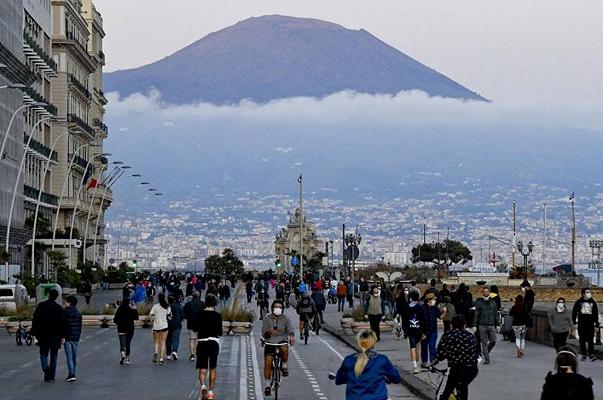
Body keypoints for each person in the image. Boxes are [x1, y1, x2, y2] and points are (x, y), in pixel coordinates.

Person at [335, 329, 401, 400]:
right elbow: (396, 378)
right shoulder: (381, 360)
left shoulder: (349, 360)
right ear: (374, 342)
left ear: (359, 342)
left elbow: (339, 380)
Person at [431, 315, 479, 400]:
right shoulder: (470, 336)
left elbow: (441, 354)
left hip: (457, 368)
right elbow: (477, 352)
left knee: (448, 389)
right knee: (462, 385)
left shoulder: (448, 335)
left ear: (451, 325)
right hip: (472, 369)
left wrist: (434, 362)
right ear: (464, 325)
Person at [31, 288, 66, 382]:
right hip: (55, 335)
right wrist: (63, 335)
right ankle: (52, 376)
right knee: (54, 355)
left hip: (43, 334)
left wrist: (34, 332)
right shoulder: (59, 308)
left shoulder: (41, 306)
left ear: (48, 295)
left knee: (43, 353)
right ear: (56, 297)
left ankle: (46, 368)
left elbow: (35, 320)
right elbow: (63, 323)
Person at [262, 299, 296, 396]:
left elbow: (290, 329)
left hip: (282, 341)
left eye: (280, 307)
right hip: (270, 343)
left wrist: (292, 336)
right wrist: (270, 332)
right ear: (272, 308)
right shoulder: (267, 319)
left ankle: (284, 366)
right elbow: (264, 333)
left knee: (284, 348)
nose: (278, 309)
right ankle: (268, 386)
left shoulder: (285, 319)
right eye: (276, 307)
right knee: (267, 363)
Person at [193, 294, 222, 400]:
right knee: (213, 368)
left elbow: (194, 328)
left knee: (202, 368)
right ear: (215, 303)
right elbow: (220, 332)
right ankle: (210, 392)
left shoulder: (199, 314)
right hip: (214, 342)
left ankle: (203, 386)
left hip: (202, 342)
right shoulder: (217, 315)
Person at [571, 288, 600, 361]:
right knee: (582, 339)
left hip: (590, 324)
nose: (589, 293)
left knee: (591, 339)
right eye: (587, 292)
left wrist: (596, 325)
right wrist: (574, 322)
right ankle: (583, 354)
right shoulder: (579, 302)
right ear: (583, 294)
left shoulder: (593, 302)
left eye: (590, 292)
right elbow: (574, 312)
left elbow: (595, 314)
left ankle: (591, 354)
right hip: (581, 323)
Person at [473, 286, 499, 364]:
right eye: (484, 292)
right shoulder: (479, 302)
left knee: (493, 341)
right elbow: (476, 314)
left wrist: (497, 324)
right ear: (483, 293)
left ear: (489, 292)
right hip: (482, 324)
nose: (486, 293)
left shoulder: (493, 302)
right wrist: (474, 325)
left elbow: (495, 314)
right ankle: (487, 359)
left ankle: (485, 352)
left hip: (491, 324)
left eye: (487, 292)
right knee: (483, 342)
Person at [404, 291, 427, 373]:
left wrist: (405, 331)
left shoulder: (406, 307)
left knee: (412, 347)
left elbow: (404, 320)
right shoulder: (420, 308)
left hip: (410, 330)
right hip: (419, 330)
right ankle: (417, 362)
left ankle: (414, 365)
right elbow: (424, 320)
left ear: (410, 298)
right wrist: (424, 332)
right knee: (418, 346)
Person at [114, 297, 139, 365]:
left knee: (122, 344)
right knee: (128, 343)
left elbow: (115, 320)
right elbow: (136, 318)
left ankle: (122, 353)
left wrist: (119, 323)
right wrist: (135, 308)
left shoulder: (119, 310)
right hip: (130, 329)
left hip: (121, 328)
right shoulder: (131, 310)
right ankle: (127, 358)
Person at [63, 295, 82, 382]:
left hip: (67, 337)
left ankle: (71, 373)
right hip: (76, 337)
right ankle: (73, 372)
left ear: (69, 303)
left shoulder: (64, 313)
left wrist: (62, 336)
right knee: (74, 356)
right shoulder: (78, 313)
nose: (64, 303)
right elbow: (80, 326)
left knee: (69, 356)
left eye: (65, 302)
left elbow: (63, 326)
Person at [149, 293, 172, 365]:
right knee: (163, 342)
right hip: (164, 326)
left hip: (156, 326)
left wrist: (152, 321)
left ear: (158, 298)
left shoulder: (155, 306)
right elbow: (169, 317)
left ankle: (156, 352)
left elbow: (150, 314)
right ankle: (161, 359)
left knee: (156, 341)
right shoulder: (167, 307)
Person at [183, 291, 204, 361]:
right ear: (198, 296)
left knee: (192, 339)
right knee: (199, 340)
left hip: (191, 324)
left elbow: (184, 314)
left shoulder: (188, 304)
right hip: (201, 324)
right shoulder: (202, 304)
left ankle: (192, 355)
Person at [421, 293, 441, 365]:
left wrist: (445, 312)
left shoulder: (435, 308)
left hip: (433, 330)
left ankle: (432, 360)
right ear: (429, 300)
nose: (434, 301)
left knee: (432, 345)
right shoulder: (422, 308)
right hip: (424, 330)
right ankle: (424, 361)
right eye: (433, 299)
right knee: (424, 346)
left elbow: (440, 316)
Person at [166, 295, 183, 360]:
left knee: (168, 339)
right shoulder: (179, 307)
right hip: (177, 325)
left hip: (167, 325)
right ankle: (174, 351)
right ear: (174, 300)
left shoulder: (166, 307)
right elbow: (182, 315)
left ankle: (168, 354)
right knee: (176, 338)